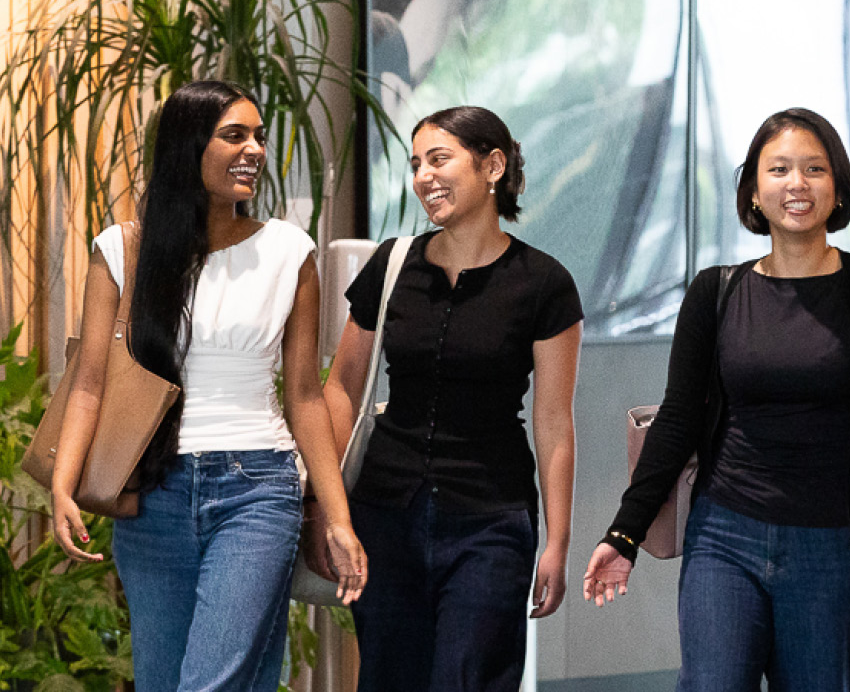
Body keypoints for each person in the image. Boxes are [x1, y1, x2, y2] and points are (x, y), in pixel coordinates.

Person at [583, 108, 850, 691]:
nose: (796, 183)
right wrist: (624, 534)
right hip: (724, 535)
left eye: (814, 169)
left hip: (834, 544)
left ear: (838, 187)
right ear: (753, 190)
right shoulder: (716, 291)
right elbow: (678, 421)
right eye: (778, 170)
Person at [49, 80, 367, 691]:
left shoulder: (288, 251)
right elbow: (89, 381)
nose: (254, 150)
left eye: (259, 137)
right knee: (164, 682)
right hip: (152, 491)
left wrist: (337, 517)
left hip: (258, 488)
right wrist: (65, 485)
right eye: (234, 135)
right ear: (188, 145)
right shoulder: (123, 250)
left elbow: (305, 397)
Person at [322, 105, 582, 691]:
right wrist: (327, 507)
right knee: (387, 679)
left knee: (471, 678)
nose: (423, 177)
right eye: (416, 164)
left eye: (439, 159)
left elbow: (554, 422)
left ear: (493, 166)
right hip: (385, 514)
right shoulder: (392, 266)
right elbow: (340, 388)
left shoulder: (544, 283)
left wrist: (558, 542)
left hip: (491, 520)